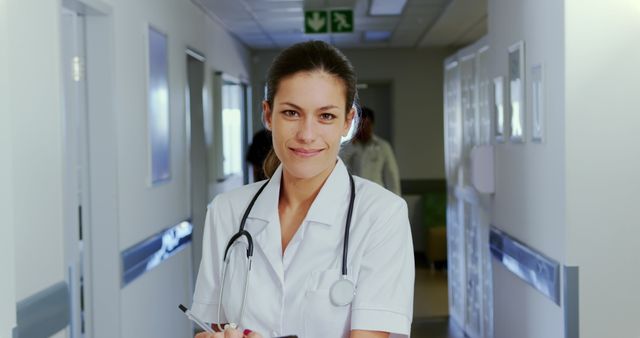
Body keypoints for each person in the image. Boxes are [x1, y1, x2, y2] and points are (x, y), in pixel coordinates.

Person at [191, 41, 414, 338]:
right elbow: (214, 325)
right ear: (268, 116)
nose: (307, 135)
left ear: (348, 122)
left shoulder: (382, 215)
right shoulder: (227, 211)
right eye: (292, 113)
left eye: (326, 116)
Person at [340, 107, 402, 195]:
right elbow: (340, 168)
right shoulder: (347, 146)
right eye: (361, 125)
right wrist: (352, 145)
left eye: (367, 124)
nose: (364, 129)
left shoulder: (383, 146)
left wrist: (396, 199)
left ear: (372, 125)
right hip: (354, 195)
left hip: (377, 195)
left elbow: (392, 176)